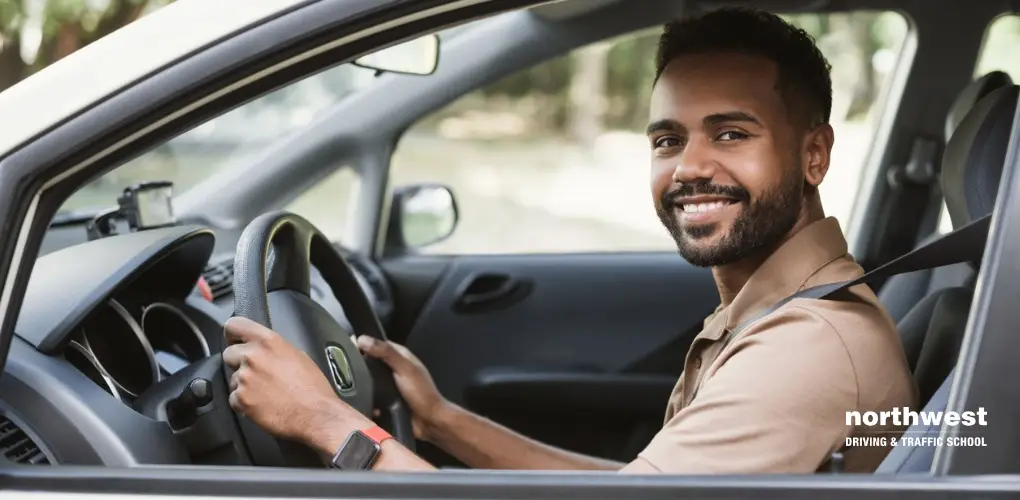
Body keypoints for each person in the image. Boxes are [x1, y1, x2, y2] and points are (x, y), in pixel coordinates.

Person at [221, 7, 918, 474]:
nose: (691, 167)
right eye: (668, 139)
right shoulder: (772, 312)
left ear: (814, 155)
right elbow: (638, 486)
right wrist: (438, 421)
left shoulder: (806, 347)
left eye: (731, 133)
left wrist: (323, 420)